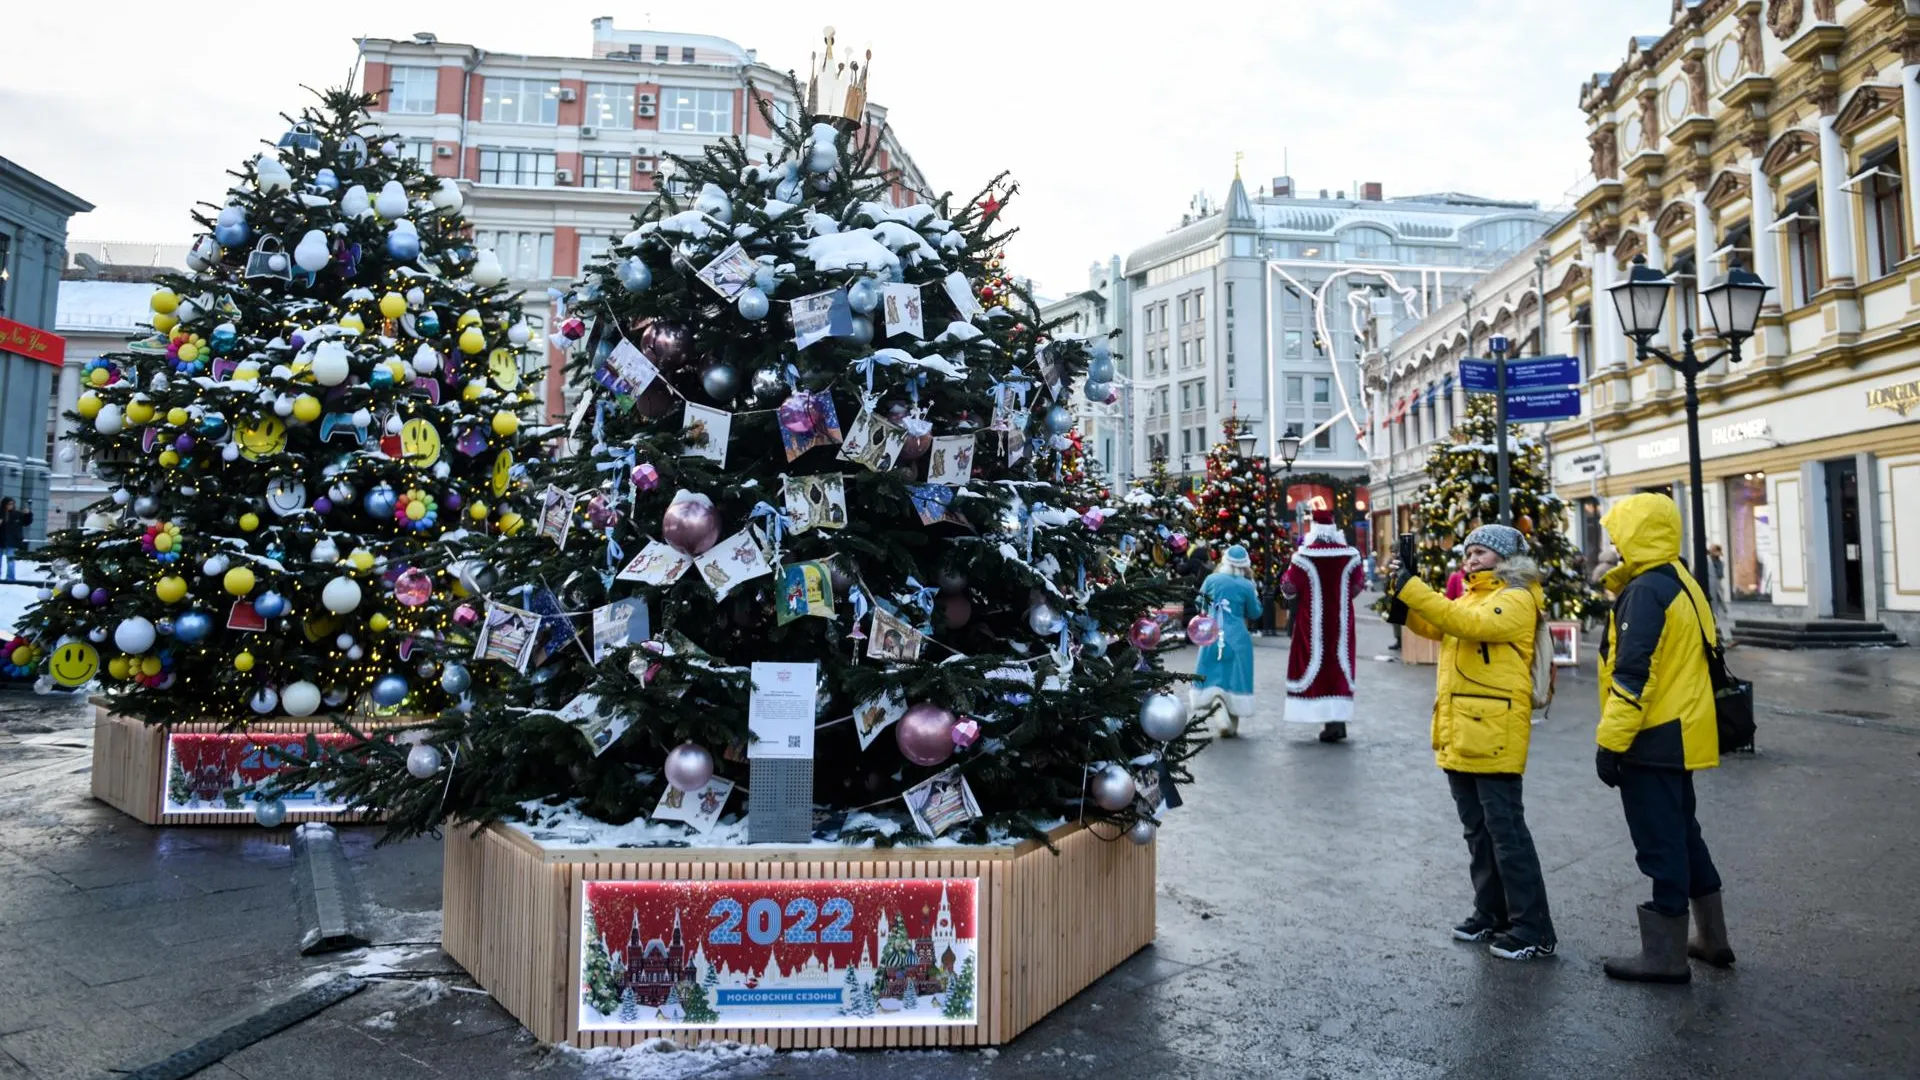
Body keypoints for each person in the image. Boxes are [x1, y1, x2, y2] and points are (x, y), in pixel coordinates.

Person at [1386, 524, 1557, 961]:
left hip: (1494, 731)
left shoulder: (1517, 598)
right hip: (1463, 727)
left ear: (1504, 558)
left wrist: (1416, 589)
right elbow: (1441, 624)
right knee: (1478, 831)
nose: (1471, 559)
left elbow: (1468, 623)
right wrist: (1403, 594)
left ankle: (1532, 928)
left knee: (1506, 832)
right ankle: (1492, 913)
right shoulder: (1472, 595)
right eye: (1469, 552)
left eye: (1481, 552)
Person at [1593, 493, 1732, 984]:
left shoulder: (1647, 590)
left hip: (1652, 737)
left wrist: (1611, 744)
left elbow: (1634, 674)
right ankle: (1711, 939)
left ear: (1638, 534)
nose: (1612, 542)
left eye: (1618, 533)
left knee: (1660, 842)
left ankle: (1665, 956)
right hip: (1684, 729)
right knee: (1684, 835)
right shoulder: (1680, 580)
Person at [1280, 510, 1365, 742]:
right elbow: (1358, 586)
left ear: (1313, 528)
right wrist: (1342, 597)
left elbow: (1289, 588)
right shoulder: (1351, 555)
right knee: (1338, 665)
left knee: (1313, 663)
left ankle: (1322, 715)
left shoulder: (1303, 556)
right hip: (1341, 624)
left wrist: (1286, 577)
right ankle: (1336, 720)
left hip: (1311, 624)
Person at [1189, 545, 1260, 737]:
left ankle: (1217, 702)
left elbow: (1199, 603)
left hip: (1212, 631)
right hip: (1238, 636)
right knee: (1235, 677)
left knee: (1213, 672)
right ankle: (1231, 717)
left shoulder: (1212, 579)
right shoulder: (1246, 585)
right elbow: (1255, 612)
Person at [0, 498, 31, 583]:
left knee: (10, 560)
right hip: (1, 540)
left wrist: (28, 514)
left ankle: (10, 577)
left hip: (12, 541)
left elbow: (26, 522)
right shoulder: (1, 514)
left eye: (12, 504)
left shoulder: (17, 514)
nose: (11, 506)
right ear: (4, 505)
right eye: (9, 504)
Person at [1706, 542, 1730, 644]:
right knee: (1710, 616)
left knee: (1721, 616)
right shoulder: (1705, 562)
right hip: (1708, 593)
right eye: (1715, 555)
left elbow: (1720, 576)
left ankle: (1728, 638)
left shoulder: (1720, 563)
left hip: (1718, 592)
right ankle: (1711, 639)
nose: (1717, 557)